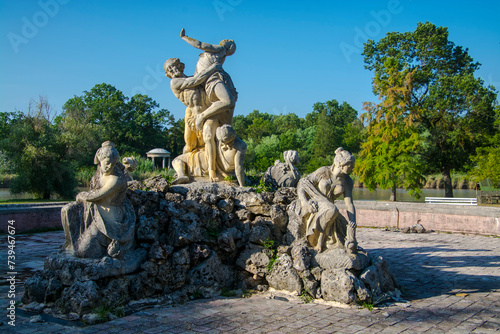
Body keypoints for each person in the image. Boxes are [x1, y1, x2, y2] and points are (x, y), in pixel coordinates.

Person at [180, 29, 238, 182]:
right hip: (210, 80)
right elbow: (200, 45)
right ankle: (212, 170)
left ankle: (214, 170)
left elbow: (200, 45)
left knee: (210, 130)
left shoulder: (220, 54)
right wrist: (185, 38)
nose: (231, 48)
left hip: (211, 81)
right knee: (227, 102)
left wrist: (185, 37)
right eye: (231, 45)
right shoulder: (218, 52)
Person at [62, 141, 136, 259]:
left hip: (110, 219)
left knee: (84, 252)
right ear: (100, 161)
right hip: (97, 210)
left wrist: (82, 195)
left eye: (113, 164)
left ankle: (111, 250)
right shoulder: (99, 175)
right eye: (107, 163)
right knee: (67, 210)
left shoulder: (116, 179)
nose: (109, 167)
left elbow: (96, 195)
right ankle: (69, 245)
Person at [296, 147, 357, 253]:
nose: (352, 168)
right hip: (316, 202)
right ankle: (318, 242)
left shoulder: (348, 181)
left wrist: (353, 221)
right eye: (350, 165)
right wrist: (306, 203)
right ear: (341, 163)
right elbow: (303, 183)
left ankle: (323, 241)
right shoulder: (324, 171)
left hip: (330, 207)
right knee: (332, 210)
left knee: (339, 222)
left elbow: (349, 204)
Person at [164, 57, 220, 154]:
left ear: (180, 66)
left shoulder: (190, 77)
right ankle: (183, 164)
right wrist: (213, 67)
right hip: (193, 117)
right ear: (168, 73)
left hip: (207, 114)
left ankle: (212, 168)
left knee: (213, 141)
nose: (173, 69)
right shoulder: (174, 82)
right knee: (190, 146)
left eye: (174, 66)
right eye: (170, 69)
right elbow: (196, 80)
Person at [172, 124, 247, 186]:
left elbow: (238, 167)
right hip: (205, 157)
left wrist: (242, 185)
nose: (224, 146)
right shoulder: (222, 135)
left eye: (228, 143)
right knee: (177, 160)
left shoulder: (240, 146)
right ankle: (181, 175)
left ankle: (181, 174)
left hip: (206, 161)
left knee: (177, 160)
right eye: (222, 143)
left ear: (233, 136)